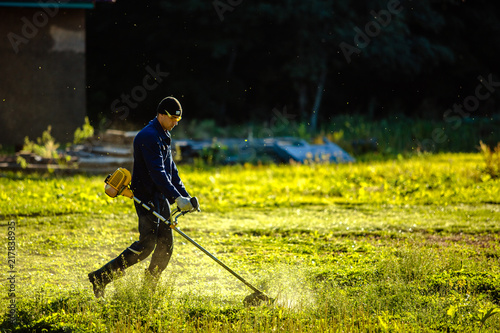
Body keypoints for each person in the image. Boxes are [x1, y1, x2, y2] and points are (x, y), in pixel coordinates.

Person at [88, 96, 195, 298]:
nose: (174, 123)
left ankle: (148, 290)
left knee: (166, 247)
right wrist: (175, 198)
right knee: (146, 247)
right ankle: (101, 277)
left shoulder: (163, 134)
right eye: (172, 118)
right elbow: (158, 173)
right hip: (146, 199)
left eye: (177, 121)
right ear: (161, 114)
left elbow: (171, 171)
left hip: (159, 197)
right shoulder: (148, 137)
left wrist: (185, 197)